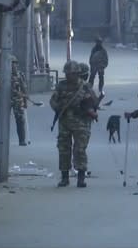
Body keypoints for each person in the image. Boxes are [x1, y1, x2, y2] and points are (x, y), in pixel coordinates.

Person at [50, 60, 98, 188]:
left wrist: (88, 108)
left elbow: (94, 103)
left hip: (81, 123)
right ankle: (64, 177)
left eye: (71, 74)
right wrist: (58, 107)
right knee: (63, 149)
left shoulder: (85, 86)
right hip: (65, 122)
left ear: (77, 74)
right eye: (67, 74)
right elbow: (53, 101)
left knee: (80, 150)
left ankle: (81, 178)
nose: (68, 76)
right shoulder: (61, 86)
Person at [0, 55, 28, 146]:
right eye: (12, 64)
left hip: (18, 100)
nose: (14, 66)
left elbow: (24, 89)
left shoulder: (20, 75)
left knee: (20, 120)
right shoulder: (3, 74)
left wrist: (25, 102)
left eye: (15, 64)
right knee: (4, 120)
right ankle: (3, 140)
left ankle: (22, 140)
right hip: (6, 100)